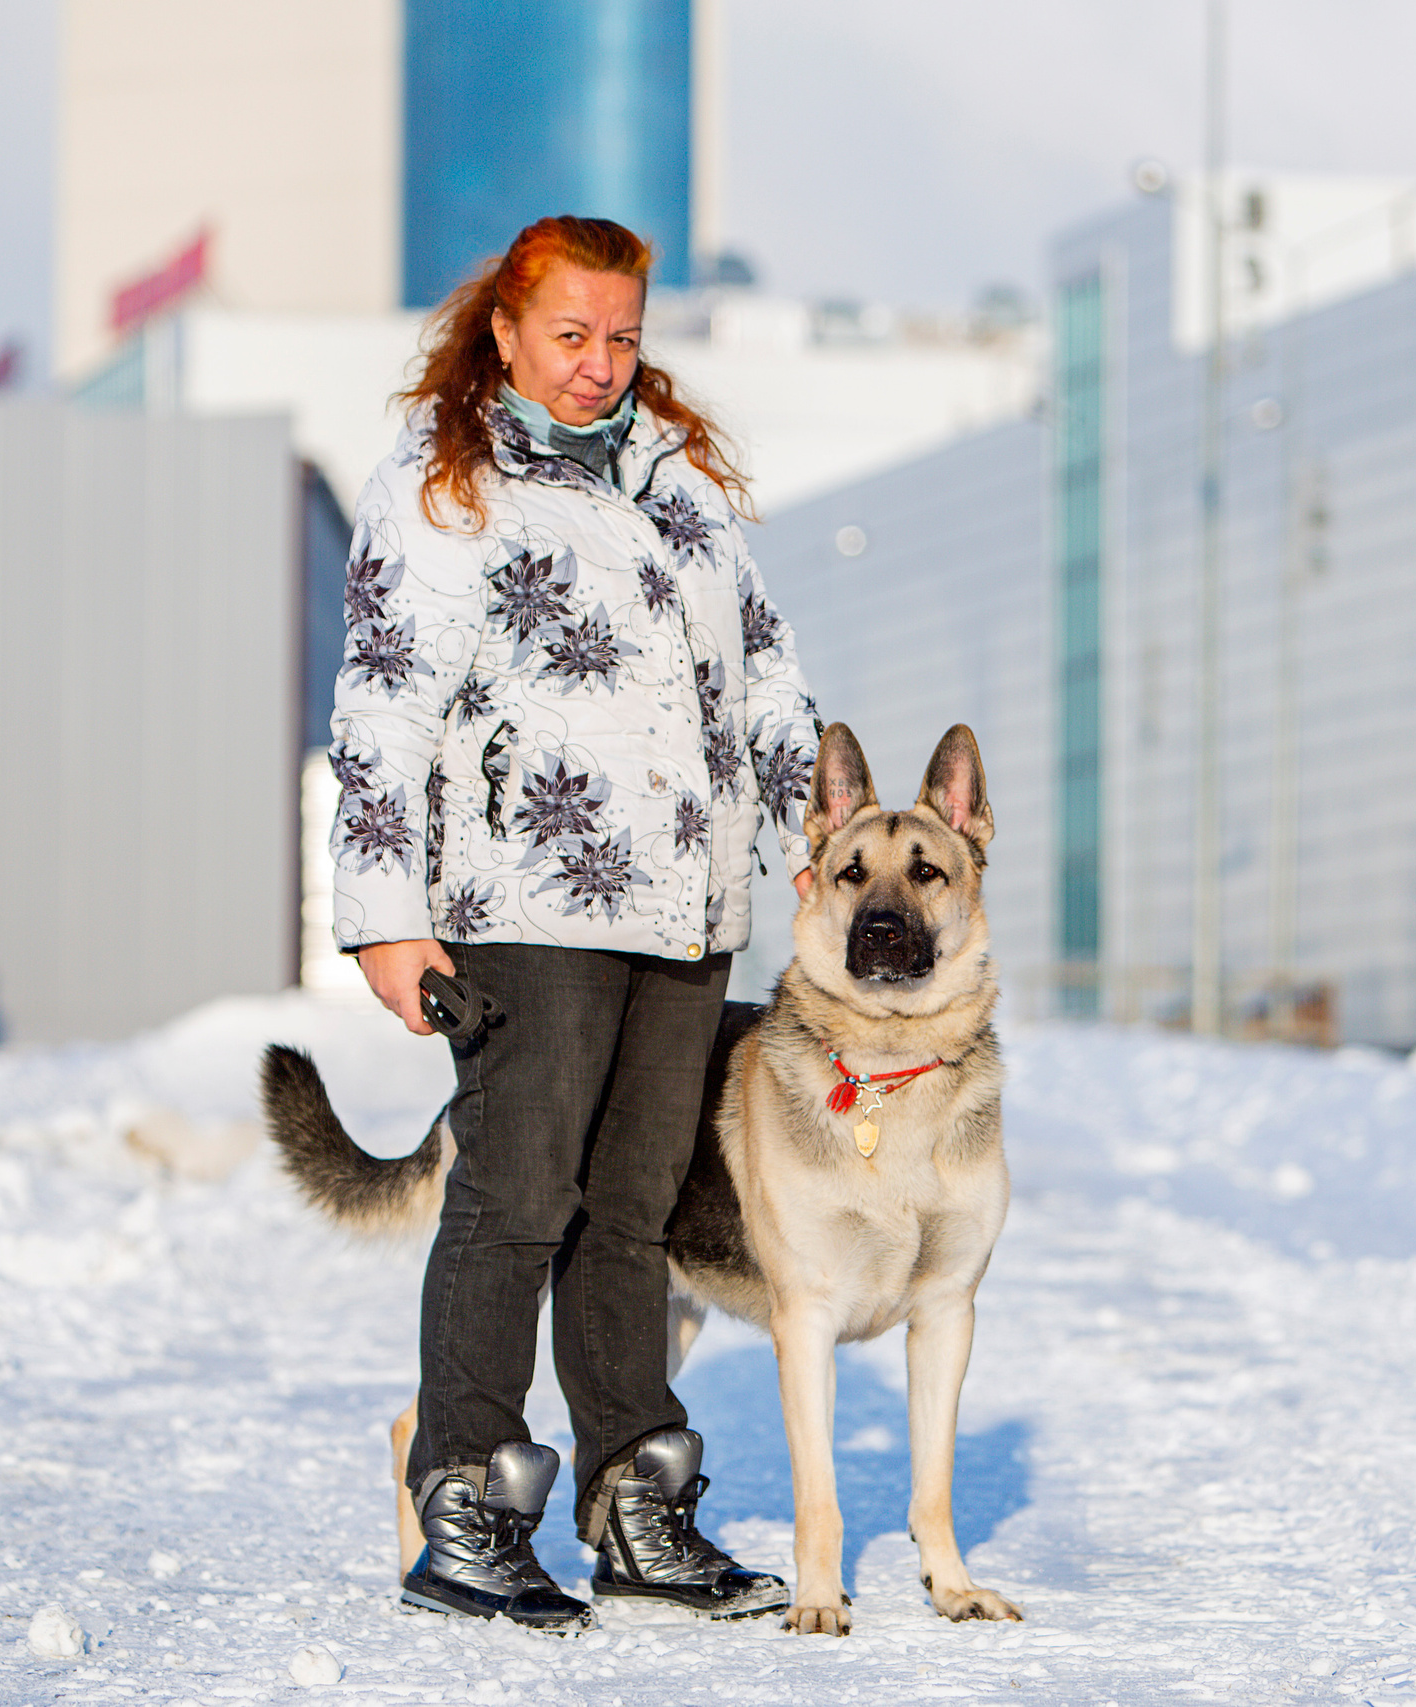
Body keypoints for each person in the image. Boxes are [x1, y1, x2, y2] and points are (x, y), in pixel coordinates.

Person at [327, 215, 818, 1631]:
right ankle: (466, 1502)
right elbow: (382, 708)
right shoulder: (445, 485)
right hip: (522, 901)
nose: (601, 365)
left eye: (622, 338)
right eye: (571, 336)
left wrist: (814, 829)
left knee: (635, 1214)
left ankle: (635, 1503)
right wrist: (383, 915)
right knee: (515, 1199)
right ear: (505, 330)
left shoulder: (687, 491)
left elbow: (768, 681)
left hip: (688, 905)